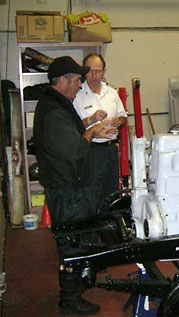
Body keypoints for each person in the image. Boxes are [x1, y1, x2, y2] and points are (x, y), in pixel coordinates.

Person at [33, 56, 118, 315]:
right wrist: (95, 132)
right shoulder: (54, 110)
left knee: (78, 239)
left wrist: (90, 125)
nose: (80, 84)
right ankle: (69, 300)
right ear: (62, 81)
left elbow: (72, 132)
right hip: (66, 189)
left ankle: (77, 285)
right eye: (77, 79)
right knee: (72, 244)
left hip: (69, 185)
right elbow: (75, 149)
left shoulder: (58, 103)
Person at [73, 53, 127, 211]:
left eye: (98, 71)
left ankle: (109, 229)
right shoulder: (77, 95)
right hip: (92, 151)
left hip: (111, 150)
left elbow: (123, 117)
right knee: (92, 193)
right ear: (84, 72)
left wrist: (119, 121)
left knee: (111, 193)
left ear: (104, 72)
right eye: (90, 71)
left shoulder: (111, 93)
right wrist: (90, 119)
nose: (94, 75)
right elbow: (72, 127)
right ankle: (93, 231)